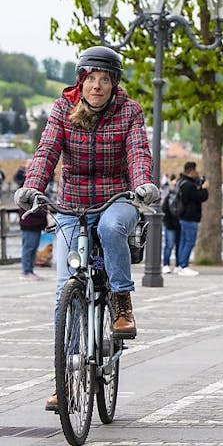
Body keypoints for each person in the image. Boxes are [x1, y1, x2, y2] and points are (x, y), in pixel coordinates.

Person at [12, 46, 158, 410]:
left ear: (114, 83)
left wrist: (142, 183)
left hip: (116, 198)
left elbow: (138, 151)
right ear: (81, 81)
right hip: (72, 202)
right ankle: (63, 381)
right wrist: (32, 186)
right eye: (91, 79)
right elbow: (47, 151)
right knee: (66, 286)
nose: (97, 86)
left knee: (111, 230)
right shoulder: (63, 110)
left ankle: (122, 302)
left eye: (104, 79)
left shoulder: (129, 111)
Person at [174, 162, 208, 276]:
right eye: (195, 171)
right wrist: (204, 189)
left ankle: (179, 265)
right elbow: (200, 197)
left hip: (182, 216)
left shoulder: (181, 182)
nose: (197, 173)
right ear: (191, 171)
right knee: (189, 242)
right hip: (190, 217)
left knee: (183, 242)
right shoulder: (189, 185)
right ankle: (184, 266)